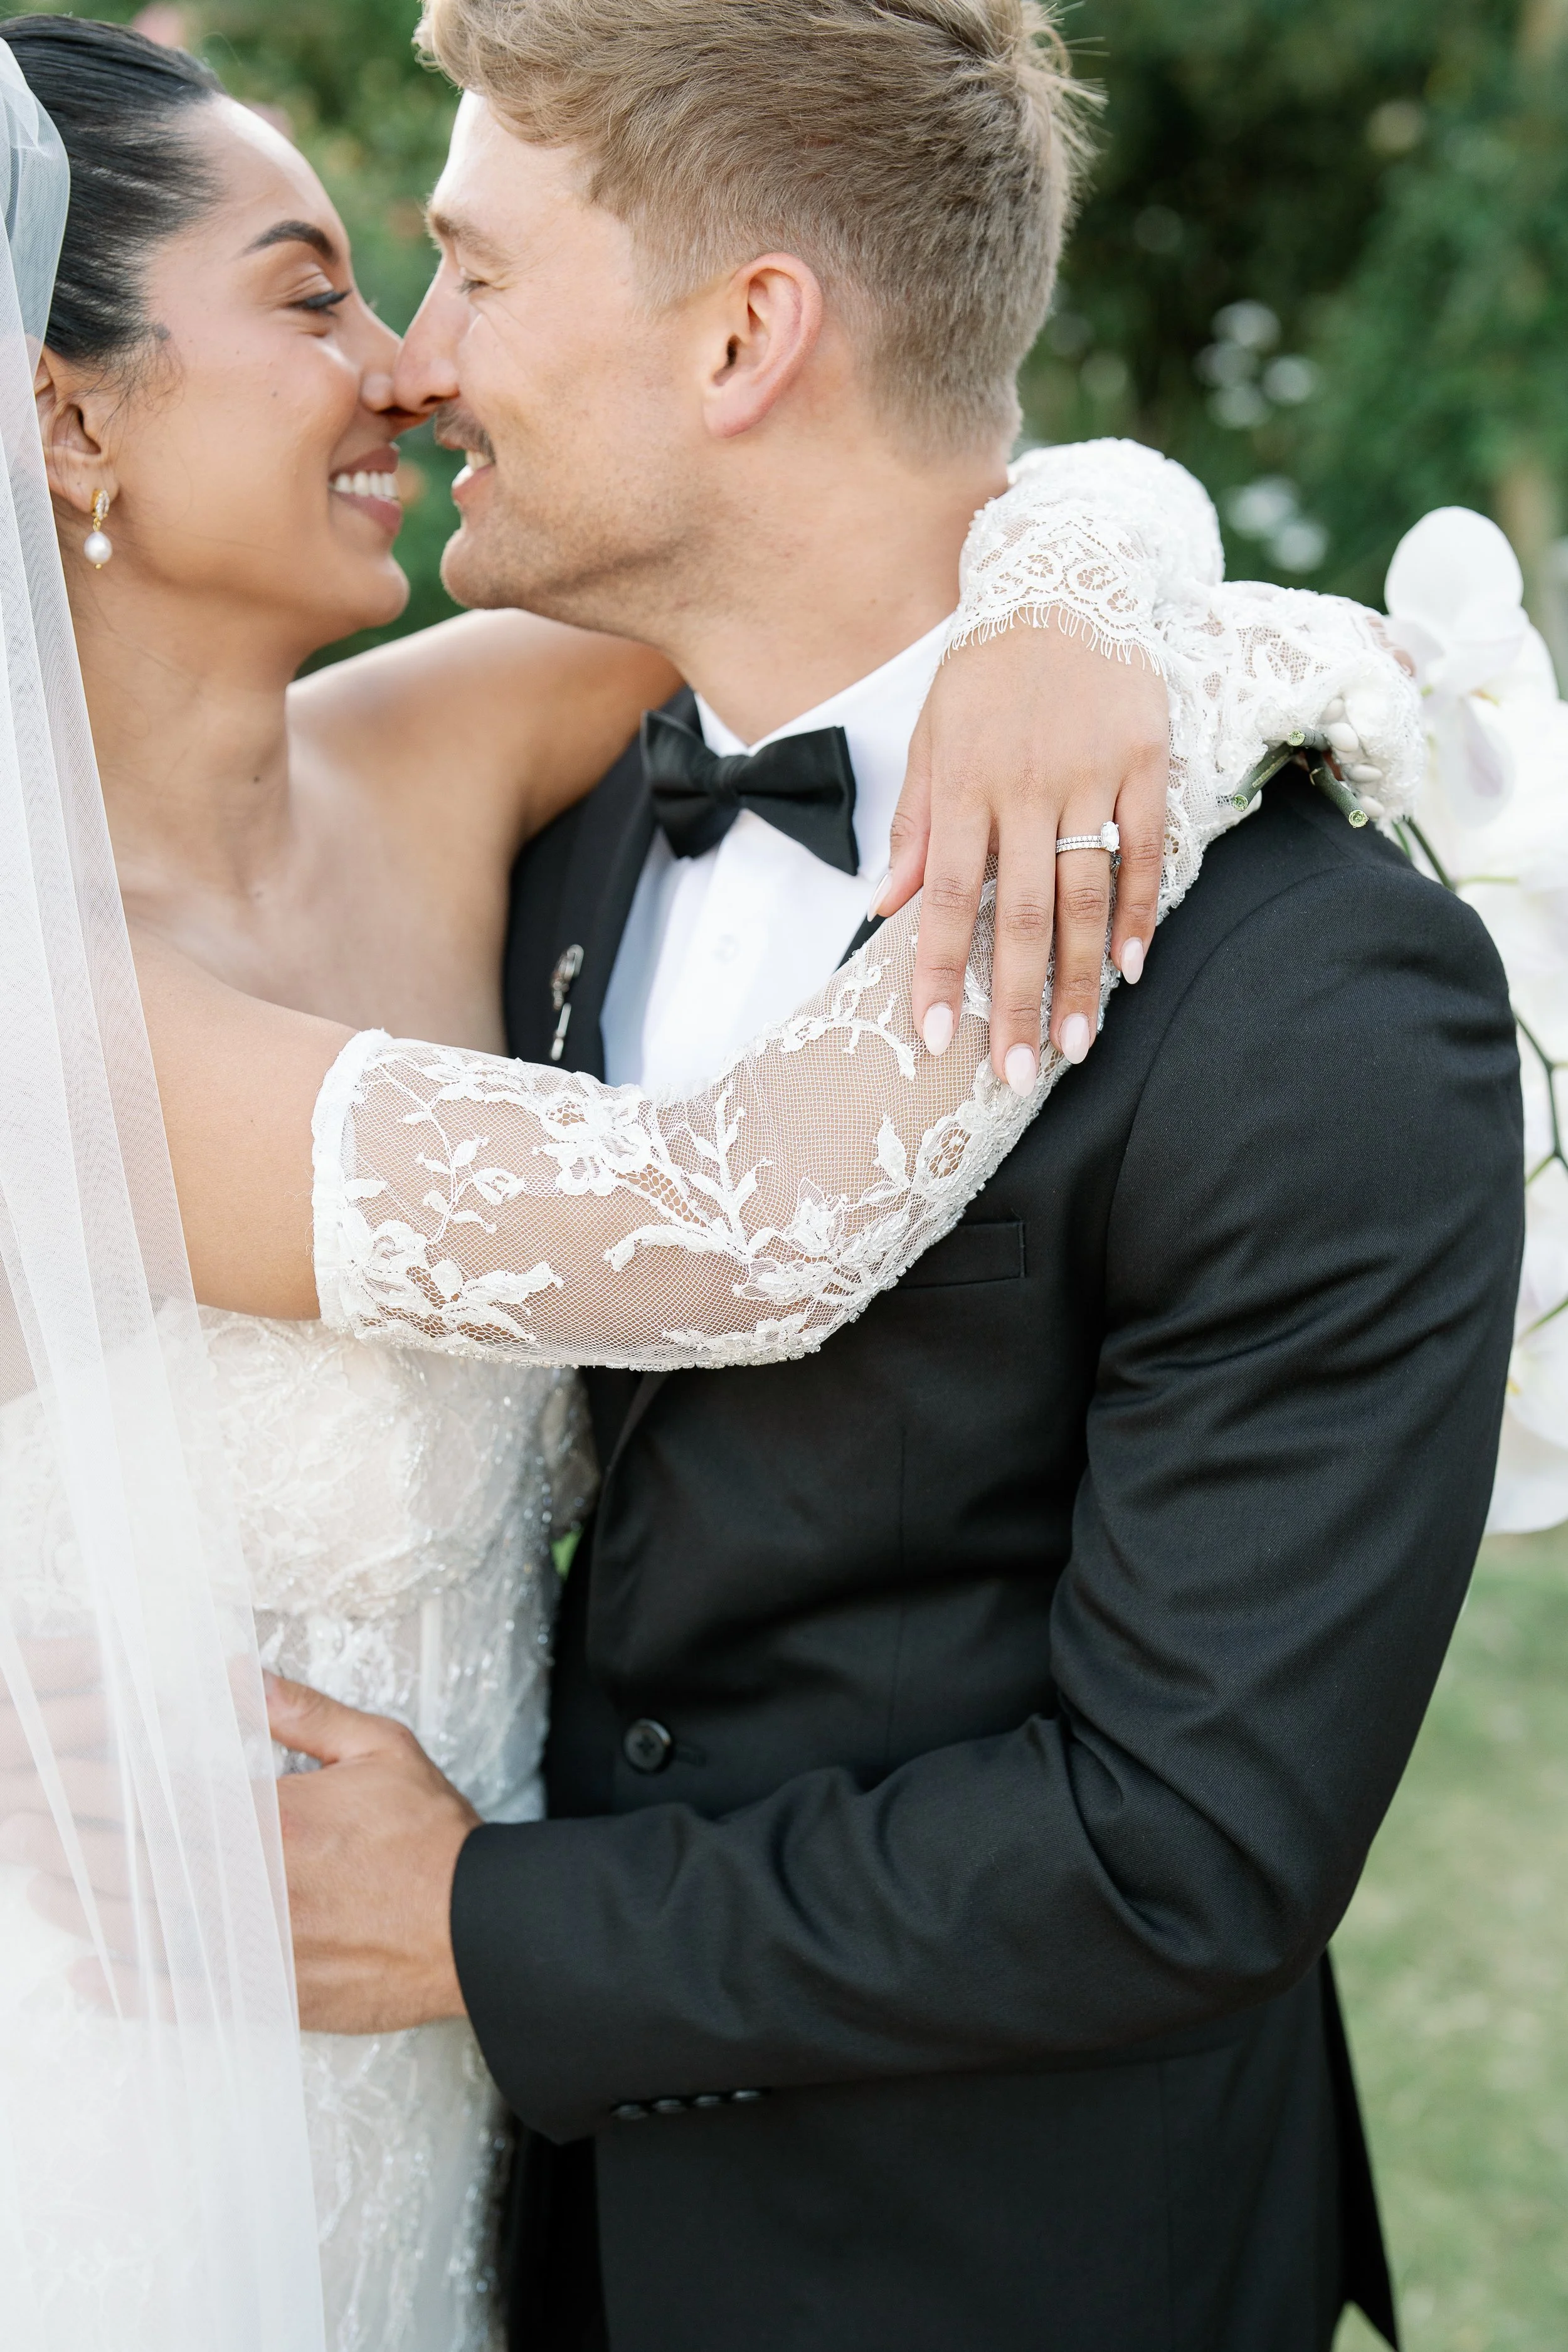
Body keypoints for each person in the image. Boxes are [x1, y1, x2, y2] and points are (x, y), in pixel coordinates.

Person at [103, 3, 1523, 2348]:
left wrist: (474, 1926)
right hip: (423, 2211)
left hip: (1021, 2266)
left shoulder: (1313, 989)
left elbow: (1181, 1845)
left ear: (747, 334)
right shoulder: (532, 804)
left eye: (471, 267)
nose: (416, 364)